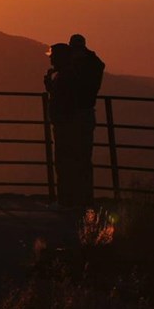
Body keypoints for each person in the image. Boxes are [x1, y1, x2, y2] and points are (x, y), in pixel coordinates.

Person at [45, 39, 101, 209]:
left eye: (53, 56)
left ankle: (66, 202)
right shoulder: (78, 72)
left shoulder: (65, 76)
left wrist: (50, 85)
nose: (51, 60)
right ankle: (84, 200)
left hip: (67, 125)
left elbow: (62, 98)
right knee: (82, 161)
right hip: (81, 122)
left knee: (65, 163)